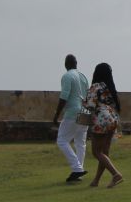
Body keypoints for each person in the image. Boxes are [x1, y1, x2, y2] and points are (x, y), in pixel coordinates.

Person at [85, 62, 124, 188]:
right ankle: (96, 181)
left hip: (101, 119)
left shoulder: (95, 86)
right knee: (104, 153)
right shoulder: (110, 88)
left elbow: (90, 106)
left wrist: (83, 105)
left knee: (96, 152)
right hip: (113, 119)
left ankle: (116, 174)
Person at [53, 54, 90, 183]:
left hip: (73, 112)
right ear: (76, 63)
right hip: (85, 111)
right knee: (81, 143)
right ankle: (78, 171)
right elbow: (88, 97)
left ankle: (77, 168)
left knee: (62, 140)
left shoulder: (67, 76)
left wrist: (56, 115)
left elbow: (64, 96)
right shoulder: (83, 77)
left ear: (66, 64)